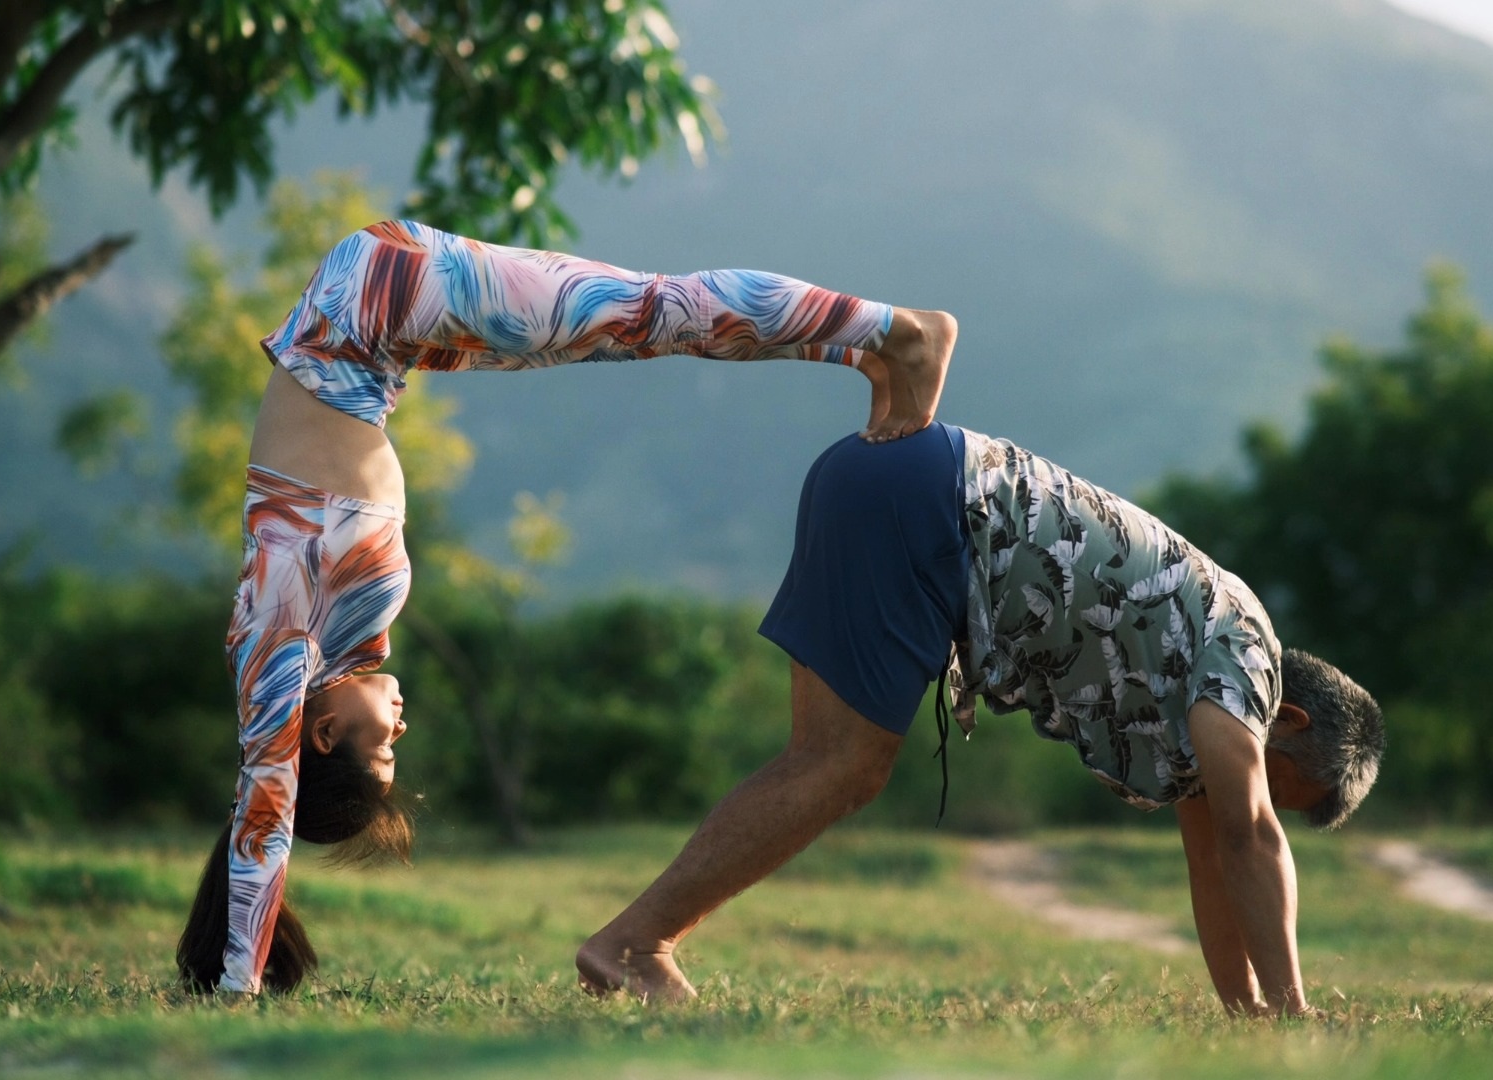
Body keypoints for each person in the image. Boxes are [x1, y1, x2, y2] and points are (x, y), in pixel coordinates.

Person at [175, 219, 960, 995]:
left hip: (374, 300)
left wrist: (239, 978)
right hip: (390, 333)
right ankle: (865, 350)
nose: (401, 734)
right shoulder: (336, 647)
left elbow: (265, 808)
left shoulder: (276, 643)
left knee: (653, 312)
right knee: (642, 329)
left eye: (383, 751)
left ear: (321, 730)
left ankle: (902, 332)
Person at [573, 423, 1384, 1018]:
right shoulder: (1245, 657)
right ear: (1290, 720)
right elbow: (1249, 838)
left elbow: (1216, 869)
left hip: (887, 478)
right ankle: (637, 945)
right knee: (844, 763)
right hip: (926, 499)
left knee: (831, 758)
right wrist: (1296, 1018)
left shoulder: (1206, 685)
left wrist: (1248, 1019)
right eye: (1286, 788)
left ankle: (634, 944)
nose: (1264, 803)